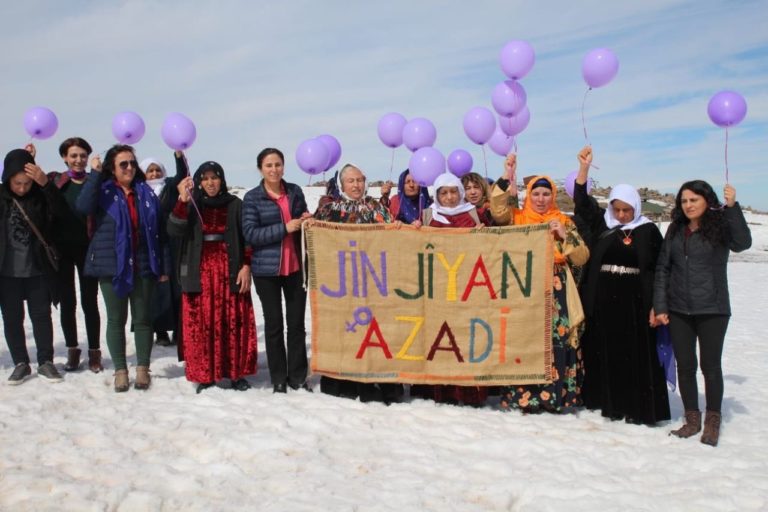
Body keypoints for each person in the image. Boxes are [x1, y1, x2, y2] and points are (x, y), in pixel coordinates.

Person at [573, 146, 670, 425]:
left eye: (627, 209)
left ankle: (634, 406)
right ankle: (607, 402)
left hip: (634, 303)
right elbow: (582, 201)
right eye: (617, 208)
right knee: (605, 352)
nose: (622, 214)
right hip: (603, 302)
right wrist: (584, 170)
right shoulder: (603, 225)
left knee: (633, 355)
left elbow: (659, 269)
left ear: (636, 207)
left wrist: (657, 305)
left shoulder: (648, 231)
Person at [654, 180, 751, 446]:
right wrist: (661, 305)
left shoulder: (719, 227)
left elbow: (743, 243)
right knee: (685, 367)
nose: (688, 205)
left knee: (710, 366)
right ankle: (692, 418)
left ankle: (713, 420)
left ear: (707, 200)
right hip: (679, 308)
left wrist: (732, 208)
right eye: (684, 201)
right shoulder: (675, 229)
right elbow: (663, 268)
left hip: (713, 308)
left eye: (694, 200)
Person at [490, 156, 590, 413]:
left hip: (557, 290)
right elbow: (497, 210)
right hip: (526, 287)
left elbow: (581, 257)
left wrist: (565, 236)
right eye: (537, 193)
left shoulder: (564, 221)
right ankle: (523, 397)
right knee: (525, 337)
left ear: (553, 195)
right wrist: (506, 175)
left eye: (547, 193)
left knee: (556, 340)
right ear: (529, 194)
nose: (541, 199)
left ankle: (555, 397)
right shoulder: (518, 217)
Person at [75, 144, 170, 392]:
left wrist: (163, 264)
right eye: (123, 164)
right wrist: (95, 175)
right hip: (112, 264)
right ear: (112, 168)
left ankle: (142, 369)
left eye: (131, 163)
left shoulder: (145, 192)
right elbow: (83, 207)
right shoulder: (103, 191)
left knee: (143, 319)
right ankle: (120, 370)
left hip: (143, 262)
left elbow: (160, 230)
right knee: (116, 319)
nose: (129, 168)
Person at [314, 163, 402, 403]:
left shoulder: (376, 207)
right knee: (346, 328)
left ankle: (377, 378)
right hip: (341, 282)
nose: (356, 185)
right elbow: (316, 239)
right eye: (351, 181)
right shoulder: (328, 210)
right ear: (342, 184)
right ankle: (344, 379)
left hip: (373, 280)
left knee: (374, 329)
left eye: (360, 180)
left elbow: (392, 237)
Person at [169, 161, 257, 394]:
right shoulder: (190, 204)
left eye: (214, 177)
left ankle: (235, 373)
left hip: (230, 270)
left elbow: (247, 239)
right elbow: (174, 230)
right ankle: (205, 374)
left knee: (231, 322)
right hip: (199, 273)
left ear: (222, 180)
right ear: (198, 181)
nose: (210, 183)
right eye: (205, 178)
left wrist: (246, 265)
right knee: (203, 324)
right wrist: (181, 201)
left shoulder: (235, 205)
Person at [410, 172, 488, 406]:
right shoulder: (427, 215)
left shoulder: (472, 214)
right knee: (440, 337)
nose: (450, 197)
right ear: (437, 195)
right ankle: (439, 391)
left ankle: (467, 392)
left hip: (466, 287)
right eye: (444, 193)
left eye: (454, 191)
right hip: (438, 288)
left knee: (464, 337)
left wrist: (484, 235)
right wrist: (413, 231)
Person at [242, 148, 311, 394]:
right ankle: (279, 378)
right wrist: (285, 228)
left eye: (278, 164)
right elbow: (250, 234)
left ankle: (298, 377)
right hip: (266, 271)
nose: (274, 169)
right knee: (273, 326)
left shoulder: (295, 191)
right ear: (261, 168)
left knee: (296, 326)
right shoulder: (252, 198)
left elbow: (300, 222)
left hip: (295, 268)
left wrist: (305, 220)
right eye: (269, 165)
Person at [1, 148, 67, 384]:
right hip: (7, 273)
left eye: (26, 184)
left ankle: (45, 361)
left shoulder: (39, 196)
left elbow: (62, 213)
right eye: (17, 183)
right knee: (12, 318)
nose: (21, 188)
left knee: (41, 316)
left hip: (38, 269)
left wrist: (45, 185)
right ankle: (21, 362)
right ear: (7, 178)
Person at [44, 138, 102, 372]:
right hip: (61, 251)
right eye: (74, 155)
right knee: (68, 302)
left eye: (82, 156)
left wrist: (98, 174)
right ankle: (72, 350)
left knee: (90, 302)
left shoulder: (95, 181)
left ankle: (95, 352)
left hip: (88, 249)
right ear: (65, 158)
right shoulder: (56, 181)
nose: (78, 160)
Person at [140, 154, 185, 347]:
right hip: (150, 244)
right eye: (150, 170)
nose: (154, 173)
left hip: (171, 241)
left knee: (175, 286)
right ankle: (160, 331)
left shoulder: (169, 188)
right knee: (156, 289)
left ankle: (178, 329)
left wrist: (178, 156)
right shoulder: (139, 191)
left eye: (157, 169)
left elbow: (182, 174)